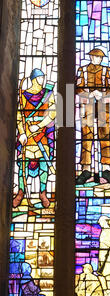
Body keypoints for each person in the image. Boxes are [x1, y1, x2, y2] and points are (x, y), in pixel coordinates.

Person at [13, 68, 56, 208]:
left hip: (42, 133)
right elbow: (19, 116)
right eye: (40, 78)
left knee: (44, 163)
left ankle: (42, 192)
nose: (42, 80)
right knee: (23, 164)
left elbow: (52, 113)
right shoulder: (24, 95)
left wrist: (39, 126)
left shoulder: (49, 94)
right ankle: (21, 191)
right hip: (27, 134)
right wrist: (22, 133)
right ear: (34, 79)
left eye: (43, 78)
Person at [76, 48, 110, 185]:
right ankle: (86, 169)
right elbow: (78, 88)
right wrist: (89, 95)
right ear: (91, 57)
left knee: (105, 135)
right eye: (95, 57)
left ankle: (106, 169)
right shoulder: (82, 70)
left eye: (100, 57)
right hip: (87, 105)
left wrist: (102, 94)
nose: (98, 59)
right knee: (86, 136)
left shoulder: (107, 71)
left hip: (102, 106)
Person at [97, 216, 110, 296]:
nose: (100, 223)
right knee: (101, 276)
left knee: (108, 275)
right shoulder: (104, 231)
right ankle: (106, 295)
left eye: (100, 222)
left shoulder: (109, 231)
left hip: (108, 256)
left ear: (105, 222)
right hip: (102, 256)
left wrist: (105, 242)